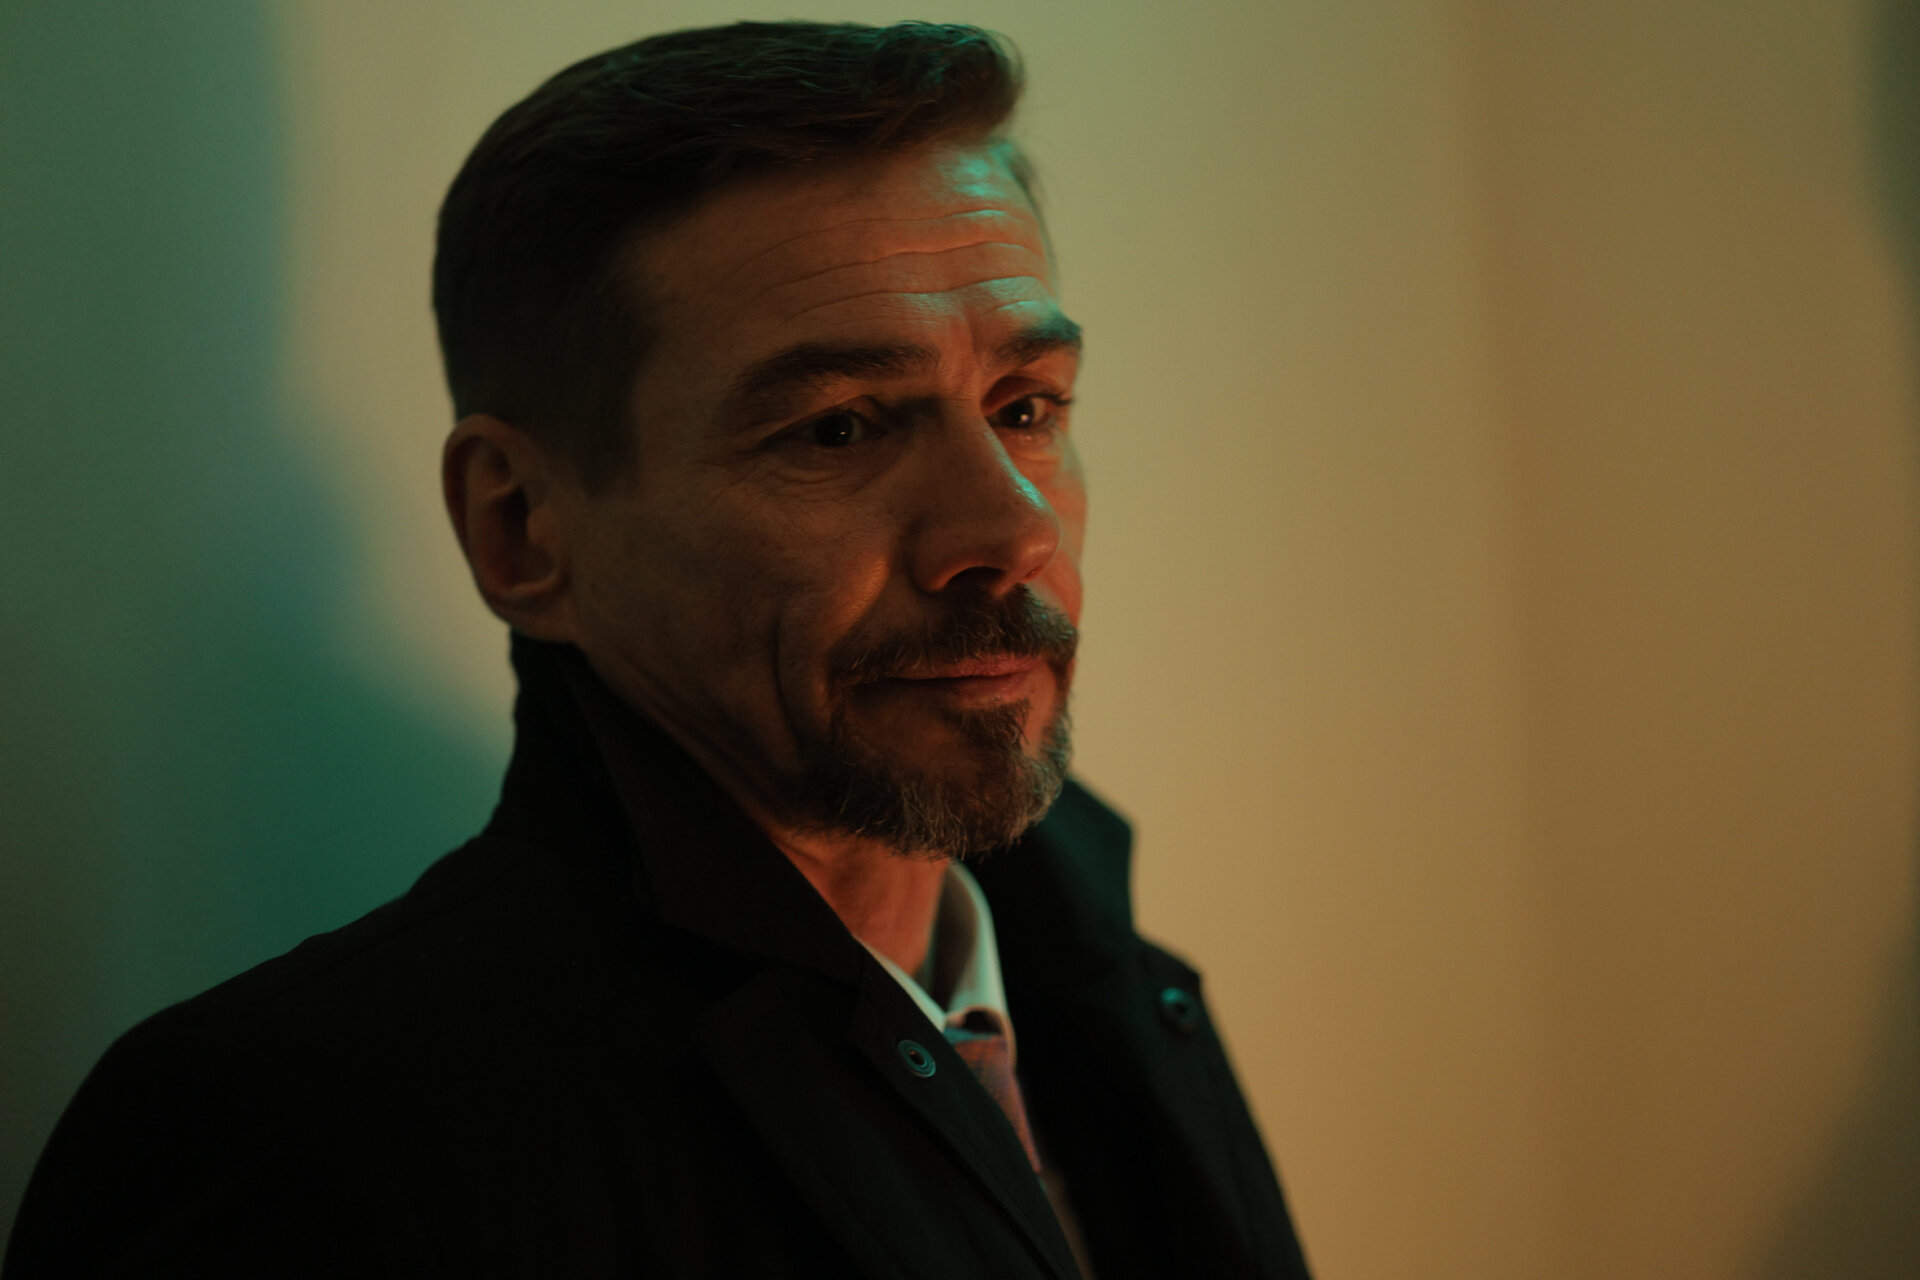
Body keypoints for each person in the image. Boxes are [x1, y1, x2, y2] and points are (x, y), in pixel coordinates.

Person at [5, 20, 1311, 1279]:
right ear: (523, 529)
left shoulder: (1104, 990)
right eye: (841, 427)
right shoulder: (306, 1137)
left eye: (1024, 408)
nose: (1012, 532)